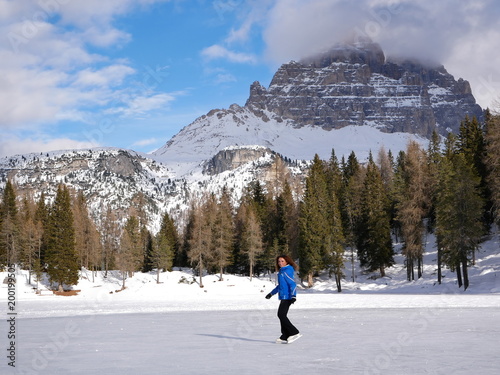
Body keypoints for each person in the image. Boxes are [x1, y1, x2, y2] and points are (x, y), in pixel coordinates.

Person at [265, 255, 301, 344]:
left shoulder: (287, 270)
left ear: (287, 262)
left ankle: (294, 332)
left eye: (282, 261)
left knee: (281, 315)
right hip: (284, 296)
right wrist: (271, 293)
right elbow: (280, 286)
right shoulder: (282, 271)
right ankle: (284, 336)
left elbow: (292, 284)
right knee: (281, 315)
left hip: (288, 297)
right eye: (279, 261)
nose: (280, 263)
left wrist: (293, 296)